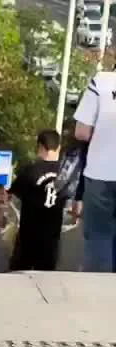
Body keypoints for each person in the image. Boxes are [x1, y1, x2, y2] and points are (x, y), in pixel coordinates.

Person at [74, 66, 116, 272]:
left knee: (99, 238)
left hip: (101, 175)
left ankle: (100, 287)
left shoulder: (101, 82)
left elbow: (82, 132)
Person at [9, 129, 65, 272]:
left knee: (22, 273)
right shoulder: (64, 173)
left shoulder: (30, 170)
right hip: (53, 234)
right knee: (46, 274)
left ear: (40, 147)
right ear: (59, 147)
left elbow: (12, 196)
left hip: (29, 233)